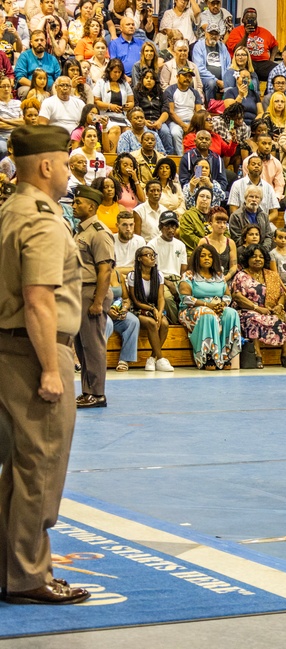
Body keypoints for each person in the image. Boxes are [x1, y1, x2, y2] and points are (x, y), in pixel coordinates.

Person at [0, 125, 91, 606]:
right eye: (67, 158)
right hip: (36, 349)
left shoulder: (10, 210)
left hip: (9, 346)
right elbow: (38, 299)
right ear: (46, 165)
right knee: (40, 466)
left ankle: (9, 569)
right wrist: (51, 369)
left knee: (17, 467)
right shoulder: (41, 218)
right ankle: (29, 575)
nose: (71, 166)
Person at [72, 184, 114, 409]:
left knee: (93, 346)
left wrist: (98, 301)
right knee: (82, 346)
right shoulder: (81, 230)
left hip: (92, 292)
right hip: (80, 291)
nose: (74, 205)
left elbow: (105, 270)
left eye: (79, 202)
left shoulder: (99, 232)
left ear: (92, 206)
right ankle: (87, 391)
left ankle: (97, 394)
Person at [178, 243, 241, 369]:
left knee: (231, 313)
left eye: (210, 256)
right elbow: (186, 298)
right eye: (203, 256)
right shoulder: (189, 275)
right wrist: (208, 305)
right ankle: (207, 356)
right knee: (207, 314)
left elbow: (227, 296)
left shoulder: (219, 275)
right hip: (191, 310)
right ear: (197, 258)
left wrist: (222, 305)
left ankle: (224, 355)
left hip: (216, 307)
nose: (207, 258)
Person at [231, 244, 286, 369]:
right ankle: (257, 355)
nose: (258, 259)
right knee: (254, 318)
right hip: (247, 310)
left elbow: (282, 294)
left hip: (270, 309)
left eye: (261, 257)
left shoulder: (272, 275)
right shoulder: (240, 276)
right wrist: (257, 308)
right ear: (247, 259)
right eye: (254, 256)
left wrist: (280, 305)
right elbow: (237, 297)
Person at [127, 246, 174, 371]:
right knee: (151, 323)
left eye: (154, 255)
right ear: (139, 259)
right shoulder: (132, 276)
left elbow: (161, 298)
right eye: (148, 255)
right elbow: (136, 301)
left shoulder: (158, 275)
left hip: (154, 307)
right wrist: (152, 310)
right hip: (139, 307)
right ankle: (161, 358)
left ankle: (152, 358)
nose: (152, 258)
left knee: (164, 323)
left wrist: (159, 311)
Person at [225, 7, 279, 85]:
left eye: (253, 18)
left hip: (263, 63)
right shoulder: (236, 32)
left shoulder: (264, 32)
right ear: (243, 20)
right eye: (248, 18)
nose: (251, 21)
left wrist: (272, 58)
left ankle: (269, 94)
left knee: (278, 71)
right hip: (245, 63)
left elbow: (275, 45)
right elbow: (237, 49)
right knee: (253, 80)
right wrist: (246, 35)